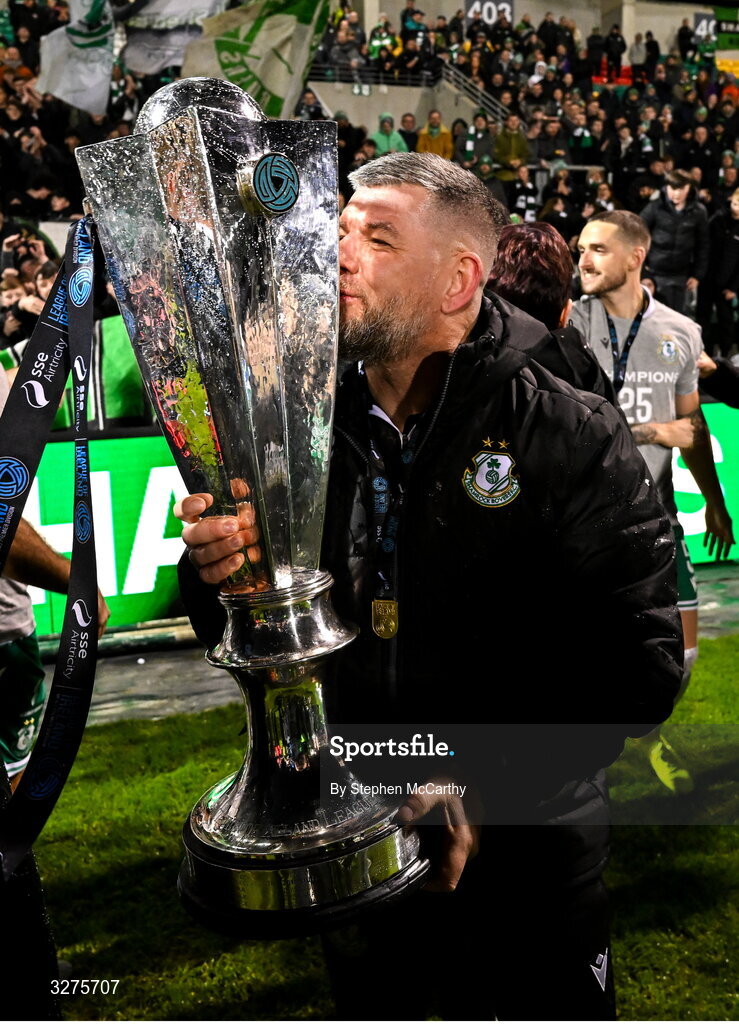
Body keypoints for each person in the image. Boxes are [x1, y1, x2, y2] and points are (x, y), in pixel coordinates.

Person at [176, 153, 682, 1020]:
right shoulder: (295, 422)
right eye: (337, 230)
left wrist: (473, 778)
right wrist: (220, 571)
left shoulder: (567, 427)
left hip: (530, 877)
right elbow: (240, 621)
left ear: (457, 281)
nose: (336, 253)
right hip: (363, 868)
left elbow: (637, 668)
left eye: (375, 238)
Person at [572, 210, 734, 793]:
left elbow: (693, 429)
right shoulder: (568, 327)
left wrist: (714, 500)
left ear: (637, 256)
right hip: (586, 525)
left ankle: (650, 735)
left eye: (597, 249)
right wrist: (653, 431)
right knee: (584, 650)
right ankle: (592, 753)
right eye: (580, 249)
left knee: (681, 659)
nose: (583, 260)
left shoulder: (681, 332)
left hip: (659, 522)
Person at [640, 170, 710, 316]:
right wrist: (643, 271)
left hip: (681, 275)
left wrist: (697, 275)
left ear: (689, 188)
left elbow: (703, 245)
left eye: (681, 189)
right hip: (654, 273)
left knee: (677, 318)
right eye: (673, 188)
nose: (676, 194)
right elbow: (638, 234)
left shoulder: (699, 211)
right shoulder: (654, 207)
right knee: (652, 318)